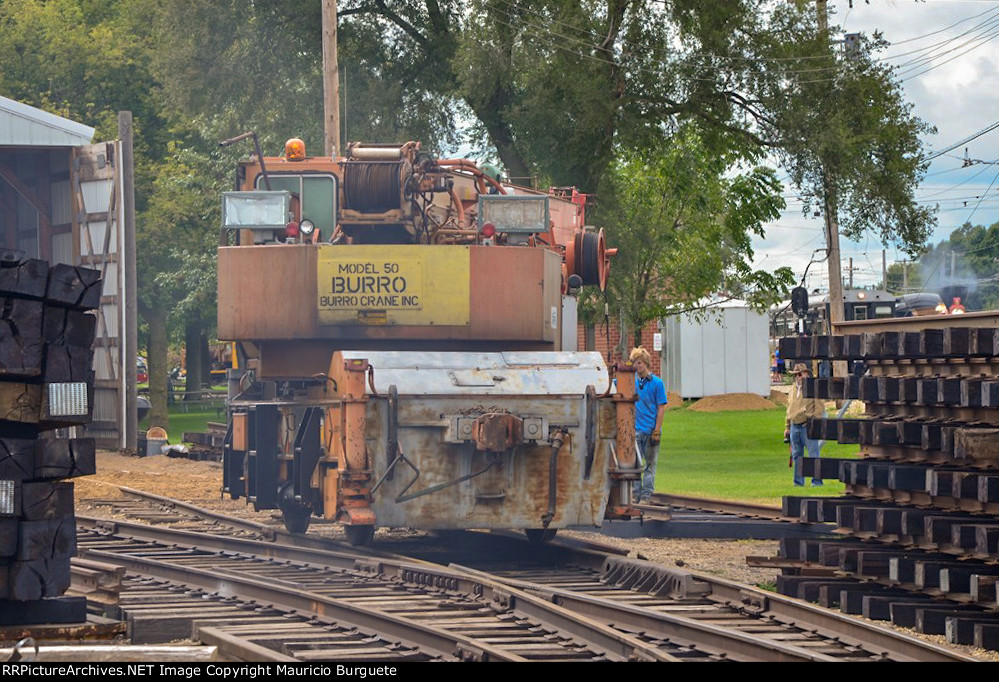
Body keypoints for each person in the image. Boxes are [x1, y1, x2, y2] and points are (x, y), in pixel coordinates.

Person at [630, 346, 668, 504]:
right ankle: (634, 494)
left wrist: (657, 430)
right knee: (635, 465)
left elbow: (661, 408)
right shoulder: (631, 382)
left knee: (650, 465)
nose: (636, 366)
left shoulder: (657, 383)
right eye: (634, 363)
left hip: (651, 430)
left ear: (646, 363)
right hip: (636, 431)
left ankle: (646, 496)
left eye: (639, 362)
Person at [784, 363, 825, 487]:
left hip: (807, 426)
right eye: (796, 375)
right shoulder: (792, 389)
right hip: (794, 426)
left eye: (800, 374)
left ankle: (817, 482)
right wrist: (787, 426)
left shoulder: (813, 388)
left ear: (806, 374)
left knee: (813, 454)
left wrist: (813, 422)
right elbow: (789, 408)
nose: (798, 377)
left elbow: (819, 408)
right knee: (797, 455)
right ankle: (798, 482)